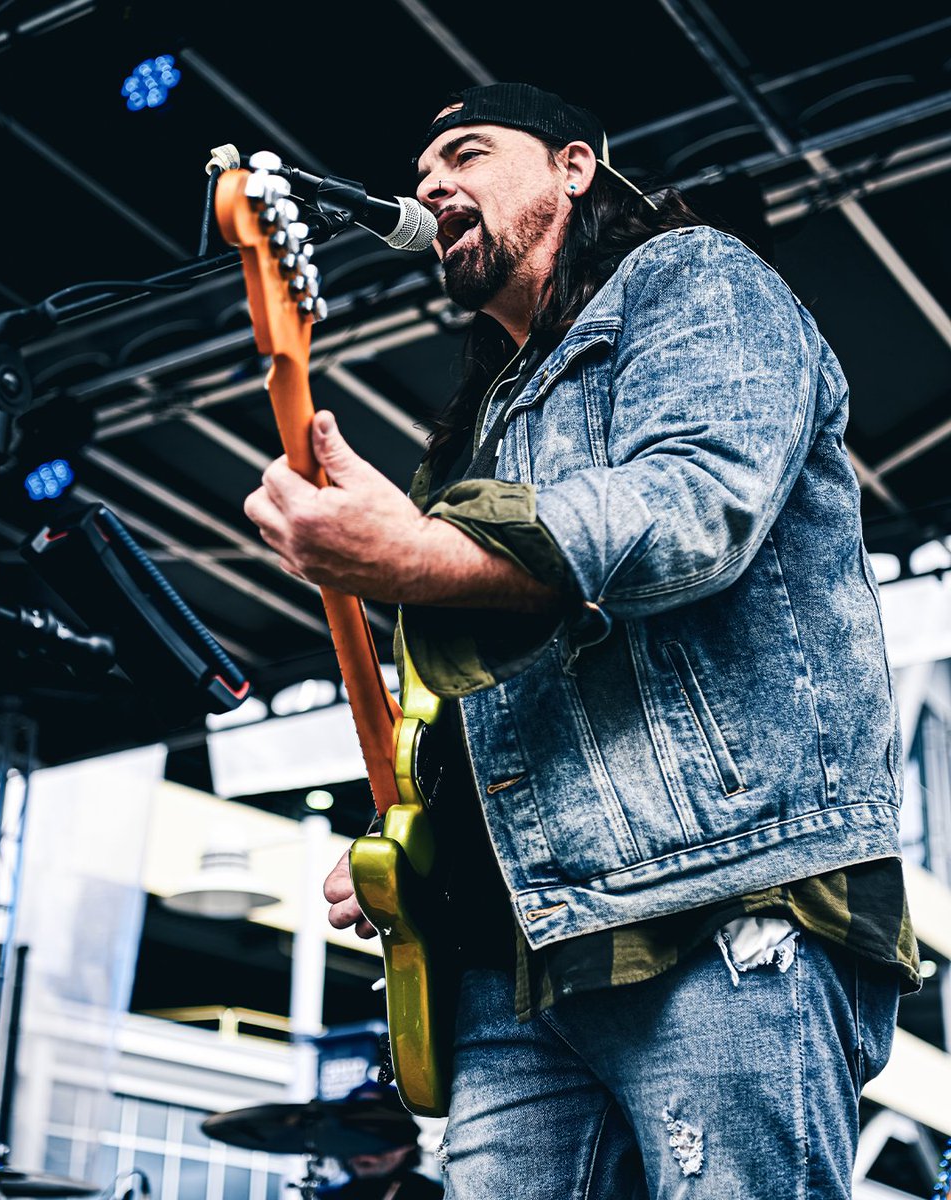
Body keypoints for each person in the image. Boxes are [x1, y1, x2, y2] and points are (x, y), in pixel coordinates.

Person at [244, 82, 921, 1198]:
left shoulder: (695, 276)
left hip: (721, 903)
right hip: (521, 958)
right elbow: (467, 704)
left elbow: (695, 505)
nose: (430, 185)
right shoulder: (481, 424)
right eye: (423, 174)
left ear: (574, 166)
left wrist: (416, 556)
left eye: (467, 151)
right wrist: (420, 856)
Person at [321, 1083, 443, 1199]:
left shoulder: (437, 1196)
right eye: (353, 1138)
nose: (365, 1151)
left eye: (381, 1137)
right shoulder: (325, 1196)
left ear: (407, 1145)